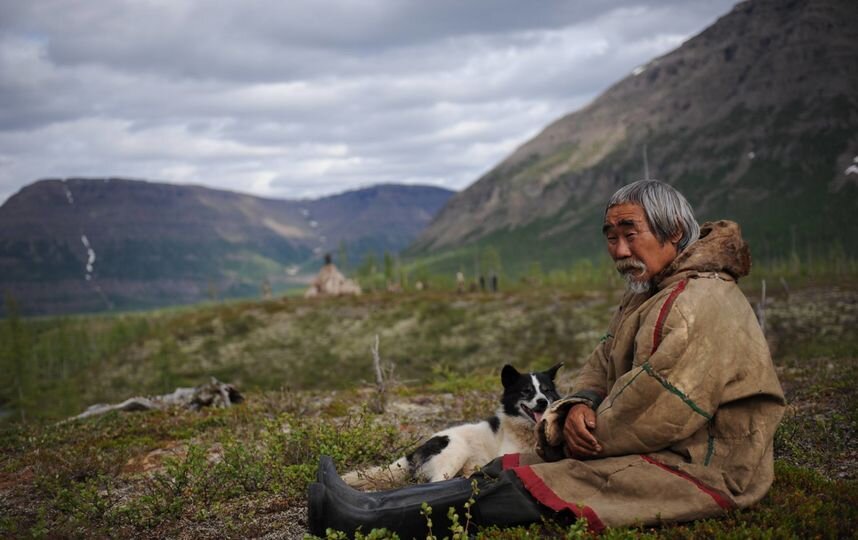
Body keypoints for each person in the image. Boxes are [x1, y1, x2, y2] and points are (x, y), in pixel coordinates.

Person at [307, 180, 785, 537]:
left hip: (699, 466)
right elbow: (601, 362)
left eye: (630, 234)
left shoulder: (700, 302)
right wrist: (575, 406)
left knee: (537, 483)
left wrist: (572, 433)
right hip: (650, 444)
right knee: (506, 467)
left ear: (674, 231)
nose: (619, 250)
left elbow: (659, 407)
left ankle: (360, 520)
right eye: (609, 236)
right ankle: (368, 504)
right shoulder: (649, 295)